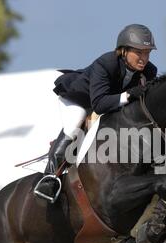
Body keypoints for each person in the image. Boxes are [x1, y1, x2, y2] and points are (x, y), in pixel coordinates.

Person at [34, 24, 158, 202]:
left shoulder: (149, 71)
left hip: (109, 103)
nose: (144, 58)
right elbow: (99, 104)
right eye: (139, 52)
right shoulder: (106, 63)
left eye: (147, 53)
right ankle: (50, 178)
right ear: (123, 50)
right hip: (79, 98)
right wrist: (128, 94)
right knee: (74, 123)